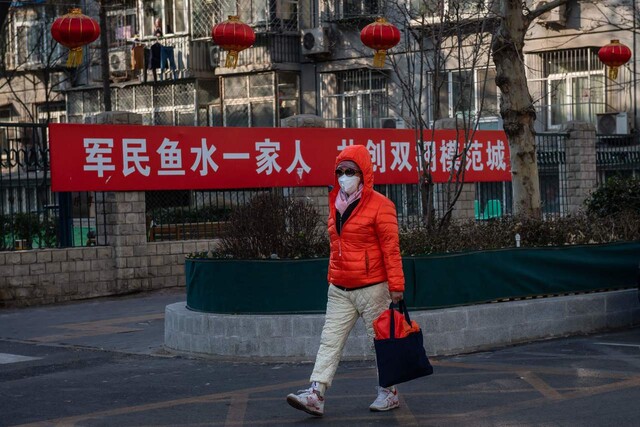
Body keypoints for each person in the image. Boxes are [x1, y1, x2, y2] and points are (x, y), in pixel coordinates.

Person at [286, 144, 405, 417]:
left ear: (363, 173)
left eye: (350, 171)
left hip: (373, 287)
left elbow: (391, 248)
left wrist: (396, 286)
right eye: (339, 171)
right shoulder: (335, 203)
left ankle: (389, 392)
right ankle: (316, 394)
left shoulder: (381, 206)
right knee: (330, 340)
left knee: (381, 342)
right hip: (339, 287)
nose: (344, 176)